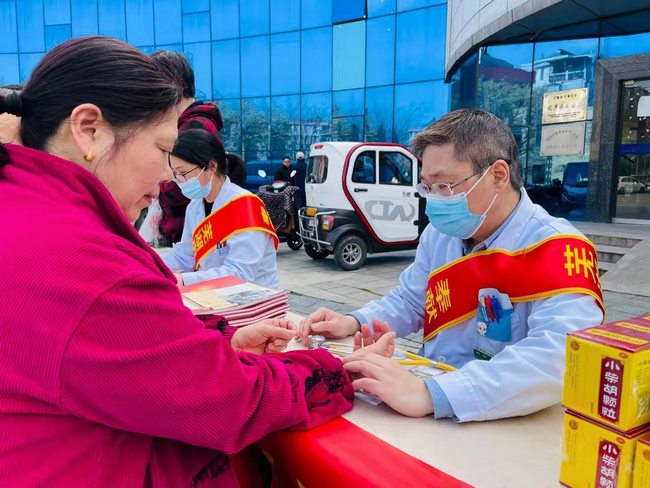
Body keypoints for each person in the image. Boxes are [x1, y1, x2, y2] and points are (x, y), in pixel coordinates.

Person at [0, 36, 395, 486]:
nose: (169, 176)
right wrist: (337, 369)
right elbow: (228, 402)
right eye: (162, 149)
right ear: (89, 129)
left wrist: (212, 347)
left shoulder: (26, 210)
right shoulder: (78, 256)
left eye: (181, 166)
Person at [300, 109, 604, 422]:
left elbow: (559, 356)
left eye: (443, 185)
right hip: (426, 396)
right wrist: (353, 321)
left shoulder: (558, 247)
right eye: (426, 187)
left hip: (499, 417)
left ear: (498, 175)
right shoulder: (440, 234)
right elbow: (411, 300)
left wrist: (433, 394)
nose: (433, 200)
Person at [161, 128, 280, 288]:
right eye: (175, 174)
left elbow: (240, 272)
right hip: (216, 296)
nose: (179, 180)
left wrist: (183, 280)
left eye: (183, 172)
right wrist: (150, 264)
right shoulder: (195, 207)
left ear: (211, 166)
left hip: (255, 300)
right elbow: (185, 256)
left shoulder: (245, 205)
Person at [150, 50, 226, 246]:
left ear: (170, 85)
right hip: (186, 233)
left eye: (152, 86)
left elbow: (186, 183)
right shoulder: (186, 124)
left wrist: (150, 184)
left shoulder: (194, 127)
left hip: (191, 233)